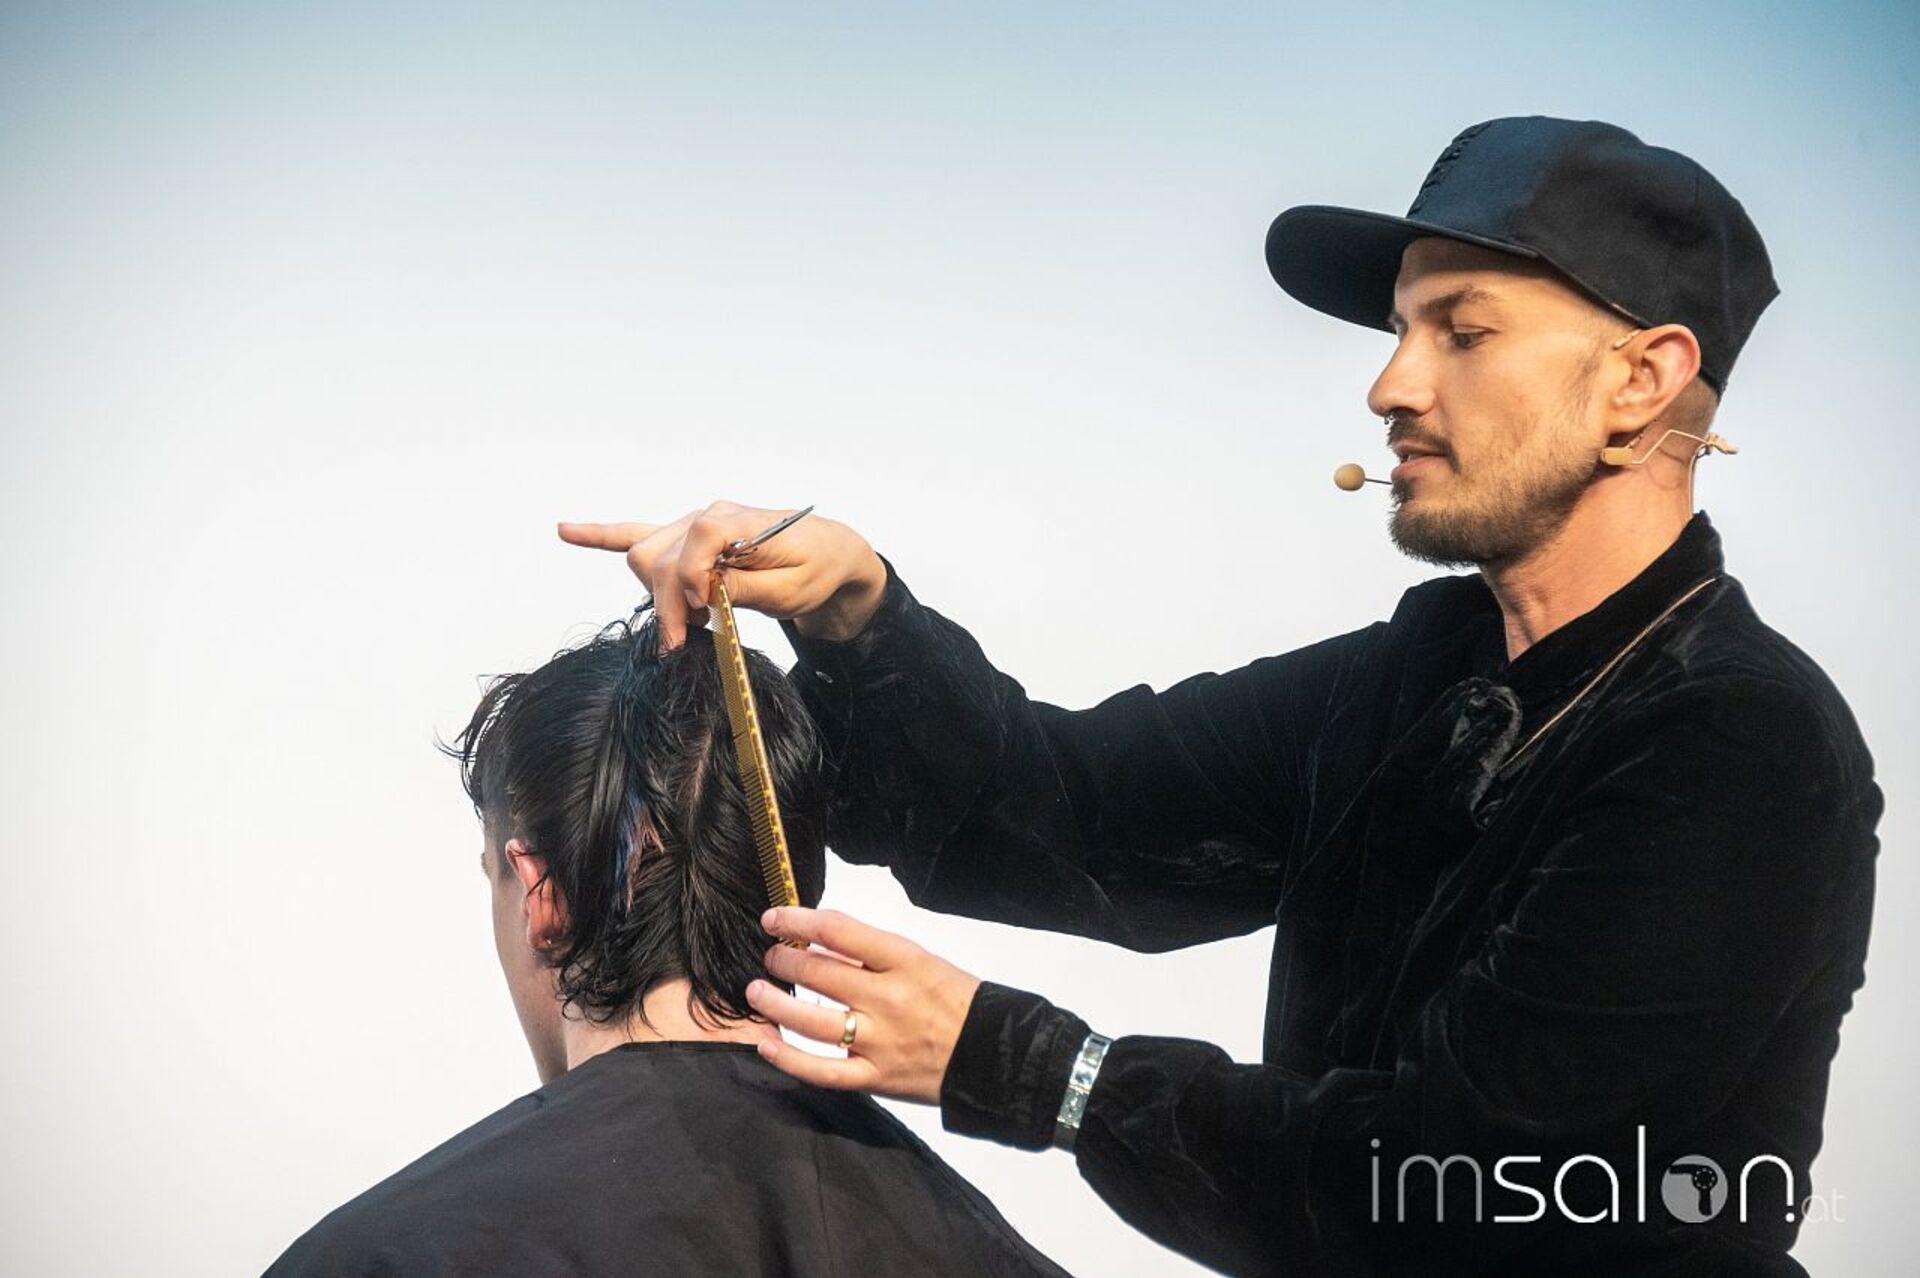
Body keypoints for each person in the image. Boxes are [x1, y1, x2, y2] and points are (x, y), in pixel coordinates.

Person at [560, 117, 1882, 1276]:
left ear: (1643, 379)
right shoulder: (1417, 678)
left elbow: (1467, 1195)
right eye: (1399, 331)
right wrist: (857, 609)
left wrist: (1036, 1067)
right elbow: (1061, 815)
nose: (1389, 386)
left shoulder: (1740, 744)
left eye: (1464, 331)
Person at [265, 609, 1069, 1277]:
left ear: (541, 895)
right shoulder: (992, 1256)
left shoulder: (382, 1256)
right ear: (790, 877)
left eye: (494, 880)